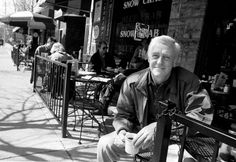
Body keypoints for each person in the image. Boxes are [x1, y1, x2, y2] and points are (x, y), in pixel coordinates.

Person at [97, 35, 213, 162]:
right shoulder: (132, 82)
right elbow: (123, 114)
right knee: (105, 144)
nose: (159, 62)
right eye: (155, 56)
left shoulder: (190, 82)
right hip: (140, 137)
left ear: (174, 61)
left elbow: (201, 116)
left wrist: (160, 128)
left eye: (166, 57)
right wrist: (123, 130)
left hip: (174, 141)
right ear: (148, 57)